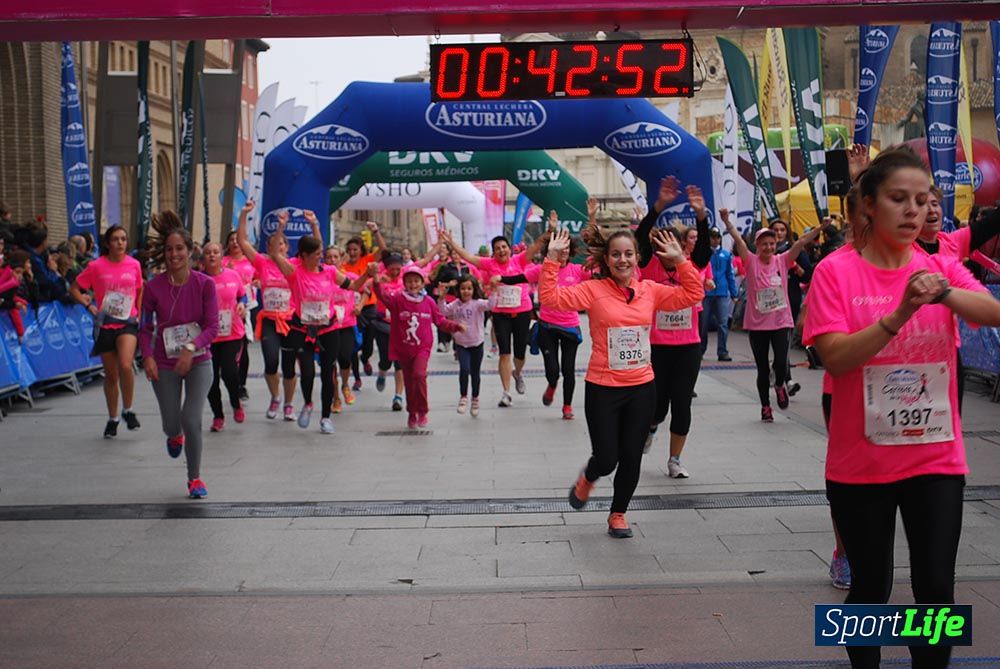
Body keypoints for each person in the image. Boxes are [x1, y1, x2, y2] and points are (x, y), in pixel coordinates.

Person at [804, 146, 1000, 669]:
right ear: (868, 205)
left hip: (936, 460)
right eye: (899, 199)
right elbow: (836, 359)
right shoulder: (835, 273)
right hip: (861, 464)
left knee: (936, 590)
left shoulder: (939, 267)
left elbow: (993, 311)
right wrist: (898, 314)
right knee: (872, 586)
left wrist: (943, 295)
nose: (915, 210)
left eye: (924, 199)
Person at [543, 227, 703, 538]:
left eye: (628, 254)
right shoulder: (593, 290)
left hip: (642, 387)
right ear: (606, 258)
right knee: (607, 458)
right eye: (616, 254)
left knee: (631, 456)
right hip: (603, 388)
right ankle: (589, 477)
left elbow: (693, 294)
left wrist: (681, 260)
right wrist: (551, 260)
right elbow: (551, 298)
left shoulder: (650, 290)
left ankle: (618, 513)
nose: (622, 259)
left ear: (638, 258)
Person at [139, 212, 219, 499]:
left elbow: (212, 327)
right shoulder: (153, 287)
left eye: (179, 249)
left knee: (191, 418)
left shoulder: (204, 284)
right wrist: (146, 356)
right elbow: (145, 327)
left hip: (199, 361)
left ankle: (194, 478)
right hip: (164, 362)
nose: (174, 254)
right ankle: (174, 436)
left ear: (189, 251)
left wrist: (190, 347)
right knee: (172, 423)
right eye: (169, 249)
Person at [269, 210, 368, 434]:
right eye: (315, 254)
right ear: (303, 255)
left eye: (320, 253)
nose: (320, 257)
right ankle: (308, 403)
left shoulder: (330, 272)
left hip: (329, 328)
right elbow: (275, 253)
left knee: (327, 372)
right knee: (305, 371)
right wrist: (281, 227)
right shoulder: (294, 272)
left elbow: (352, 286)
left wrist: (367, 275)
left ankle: (325, 417)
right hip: (303, 328)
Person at [723, 212, 821, 422]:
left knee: (780, 361)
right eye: (764, 244)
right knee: (762, 368)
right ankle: (765, 407)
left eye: (771, 243)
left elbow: (802, 241)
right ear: (757, 245)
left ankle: (779, 385)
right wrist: (727, 222)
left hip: (780, 321)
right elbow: (739, 240)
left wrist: (821, 227)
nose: (768, 247)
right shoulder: (750, 262)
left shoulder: (783, 260)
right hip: (757, 323)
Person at [440, 227, 548, 407]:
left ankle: (518, 373)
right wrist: (451, 244)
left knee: (520, 352)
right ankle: (506, 392)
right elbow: (468, 256)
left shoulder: (519, 260)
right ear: (493, 252)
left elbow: (536, 245)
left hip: (522, 312)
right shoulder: (489, 264)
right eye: (497, 248)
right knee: (504, 353)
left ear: (509, 248)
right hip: (500, 314)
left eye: (504, 247)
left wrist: (549, 231)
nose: (501, 250)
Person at [497, 212, 588, 419]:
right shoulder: (543, 269)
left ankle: (567, 406)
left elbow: (599, 272)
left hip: (570, 327)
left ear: (571, 252)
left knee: (569, 369)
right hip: (547, 326)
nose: (563, 253)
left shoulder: (577, 270)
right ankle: (552, 384)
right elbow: (518, 277)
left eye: (566, 249)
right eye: (560, 249)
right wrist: (499, 277)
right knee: (553, 370)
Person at [70, 225, 144, 438]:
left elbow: (139, 288)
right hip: (105, 324)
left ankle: (128, 410)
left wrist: (138, 312)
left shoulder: (134, 264)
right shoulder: (96, 266)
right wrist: (88, 305)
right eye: (116, 239)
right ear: (108, 243)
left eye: (123, 239)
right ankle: (113, 418)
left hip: (127, 322)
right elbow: (74, 288)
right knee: (111, 376)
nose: (120, 243)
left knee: (125, 364)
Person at [368, 262, 462, 428]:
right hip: (404, 348)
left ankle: (423, 410)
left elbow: (440, 321)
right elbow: (382, 295)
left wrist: (456, 326)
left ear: (422, 282)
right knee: (410, 382)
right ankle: (412, 412)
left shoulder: (429, 302)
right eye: (409, 281)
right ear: (405, 283)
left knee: (419, 375)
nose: (413, 284)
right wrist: (376, 279)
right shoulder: (398, 299)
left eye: (416, 281)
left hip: (422, 348)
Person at [236, 200, 298, 421]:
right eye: (273, 244)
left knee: (289, 368)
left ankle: (289, 404)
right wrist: (244, 214)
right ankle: (275, 397)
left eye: (281, 244)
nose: (277, 247)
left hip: (290, 321)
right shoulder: (262, 263)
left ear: (287, 248)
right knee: (271, 362)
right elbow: (242, 241)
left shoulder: (294, 265)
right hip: (270, 319)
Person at [201, 242, 247, 432]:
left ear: (222, 255)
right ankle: (218, 415)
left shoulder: (232, 275)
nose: (212, 255)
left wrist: (242, 304)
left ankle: (235, 403)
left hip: (232, 333)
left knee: (229, 373)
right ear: (203, 257)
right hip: (208, 336)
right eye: (208, 253)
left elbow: (242, 296)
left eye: (215, 252)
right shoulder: (198, 279)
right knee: (210, 379)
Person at [439, 274, 494, 417]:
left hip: (477, 343)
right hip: (461, 344)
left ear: (474, 289)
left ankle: (475, 398)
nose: (466, 291)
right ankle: (463, 397)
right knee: (464, 369)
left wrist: (494, 292)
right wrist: (441, 297)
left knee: (475, 373)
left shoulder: (478, 303)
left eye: (469, 288)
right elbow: (443, 310)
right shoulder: (455, 304)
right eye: (463, 288)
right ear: (458, 290)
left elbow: (491, 305)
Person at [341, 222, 388, 385]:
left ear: (361, 250)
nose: (352, 252)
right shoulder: (343, 266)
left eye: (355, 249)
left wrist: (376, 231)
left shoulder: (367, 261)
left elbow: (383, 251)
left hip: (369, 306)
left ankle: (365, 358)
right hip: (351, 309)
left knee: (368, 343)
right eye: (350, 250)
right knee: (352, 343)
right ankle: (357, 378)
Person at [325, 245, 361, 413]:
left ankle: (346, 385)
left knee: (345, 358)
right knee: (330, 363)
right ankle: (336, 398)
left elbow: (365, 290)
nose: (332, 260)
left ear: (341, 259)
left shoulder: (350, 277)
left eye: (335, 257)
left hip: (347, 324)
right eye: (328, 257)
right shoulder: (323, 277)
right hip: (328, 325)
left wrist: (359, 305)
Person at [223, 229, 257, 402]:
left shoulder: (251, 261)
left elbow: (259, 278)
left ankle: (241, 384)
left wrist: (257, 282)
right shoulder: (222, 262)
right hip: (224, 310)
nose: (235, 243)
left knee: (243, 347)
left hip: (244, 308)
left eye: (238, 240)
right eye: (231, 240)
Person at [701, 228, 738, 361]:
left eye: (717, 237)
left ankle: (722, 351)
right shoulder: (704, 254)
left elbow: (730, 274)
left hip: (722, 292)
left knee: (723, 323)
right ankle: (700, 350)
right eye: (712, 237)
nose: (715, 240)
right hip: (706, 293)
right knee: (703, 324)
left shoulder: (726, 255)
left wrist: (734, 293)